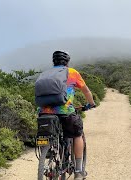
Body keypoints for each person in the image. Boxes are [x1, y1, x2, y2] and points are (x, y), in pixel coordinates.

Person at [37, 50, 96, 180]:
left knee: (47, 133)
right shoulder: (72, 72)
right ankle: (79, 171)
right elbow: (86, 91)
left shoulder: (45, 74)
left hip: (44, 112)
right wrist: (91, 103)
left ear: (53, 61)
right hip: (65, 112)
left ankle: (48, 153)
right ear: (67, 62)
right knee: (77, 134)